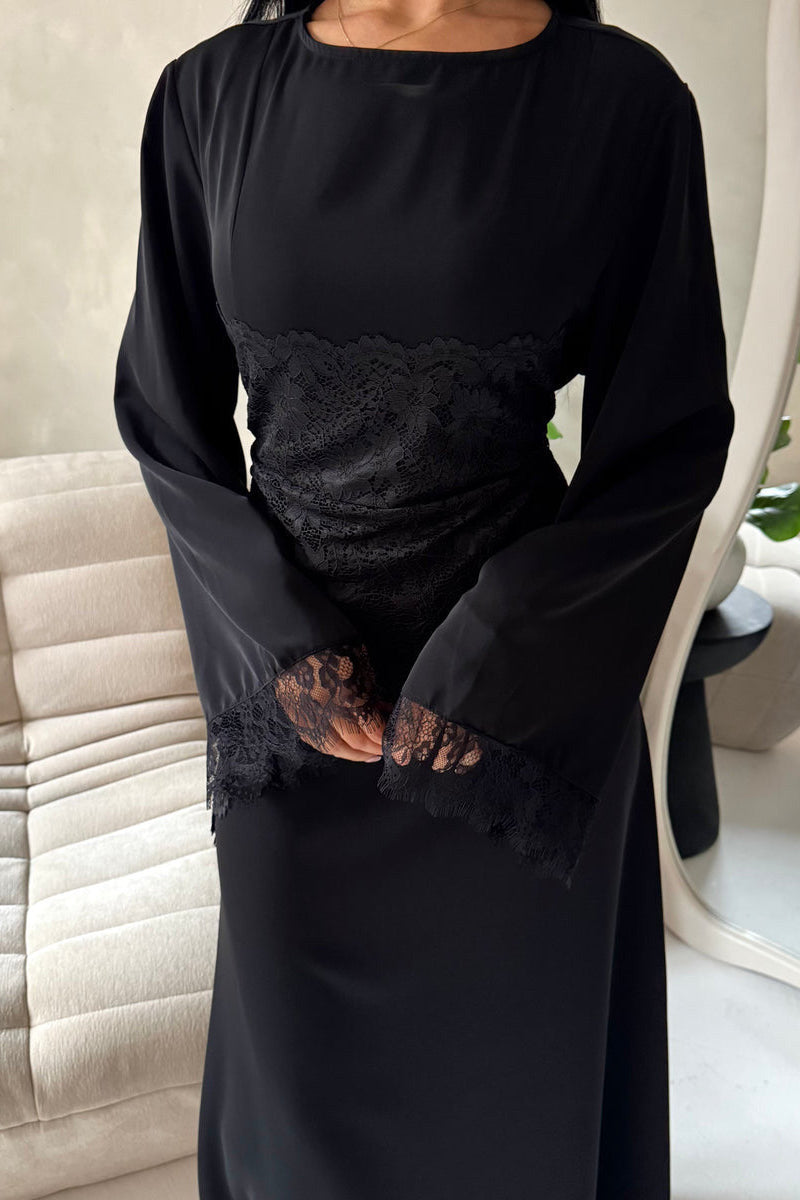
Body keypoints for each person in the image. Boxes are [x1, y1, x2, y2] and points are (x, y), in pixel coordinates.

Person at [113, 0, 735, 1195]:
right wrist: (282, 649)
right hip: (295, 732)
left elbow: (663, 442)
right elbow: (164, 421)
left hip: (517, 729)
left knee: (511, 1112)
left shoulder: (622, 102)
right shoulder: (206, 97)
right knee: (304, 1124)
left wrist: (492, 669)